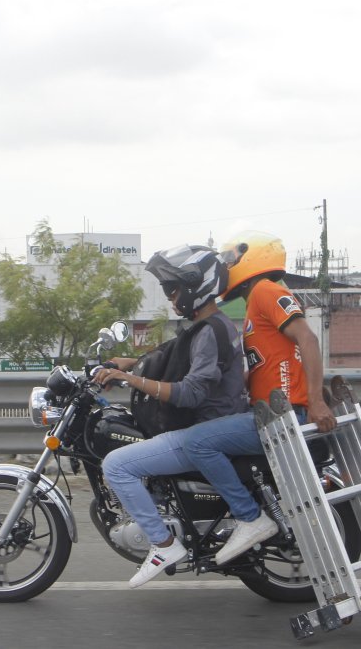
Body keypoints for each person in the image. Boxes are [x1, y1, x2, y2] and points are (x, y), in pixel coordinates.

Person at [93, 244, 251, 588]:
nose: (170, 297)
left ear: (197, 285)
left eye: (173, 288)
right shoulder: (210, 325)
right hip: (212, 424)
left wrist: (129, 379)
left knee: (117, 466)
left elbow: (191, 391)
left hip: (205, 429)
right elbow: (177, 361)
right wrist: (130, 363)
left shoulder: (210, 330)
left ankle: (163, 544)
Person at [180, 230, 337, 566]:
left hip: (281, 418)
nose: (226, 268)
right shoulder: (255, 303)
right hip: (270, 414)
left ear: (251, 257)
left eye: (230, 260)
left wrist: (315, 401)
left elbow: (307, 340)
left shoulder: (267, 291)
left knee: (197, 443)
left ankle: (249, 518)